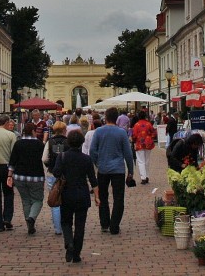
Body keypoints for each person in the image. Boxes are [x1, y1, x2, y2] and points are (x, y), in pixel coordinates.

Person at [53, 129, 100, 264]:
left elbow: (56, 173)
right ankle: (77, 254)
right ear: (81, 143)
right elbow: (93, 180)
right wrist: (97, 196)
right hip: (82, 194)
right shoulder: (86, 159)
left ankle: (69, 242)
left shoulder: (62, 157)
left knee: (66, 221)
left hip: (66, 193)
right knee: (80, 225)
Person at [88, 106, 135, 235]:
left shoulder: (98, 132)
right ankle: (114, 225)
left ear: (106, 118)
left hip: (103, 169)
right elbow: (128, 153)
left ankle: (104, 223)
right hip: (118, 169)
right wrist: (131, 171)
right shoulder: (121, 133)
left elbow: (92, 150)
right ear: (116, 118)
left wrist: (97, 162)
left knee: (102, 196)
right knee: (118, 198)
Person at [9, 122, 46, 234]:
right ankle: (32, 218)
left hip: (19, 176)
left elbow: (12, 161)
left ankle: (29, 223)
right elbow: (44, 160)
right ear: (34, 132)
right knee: (38, 200)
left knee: (25, 200)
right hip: (36, 177)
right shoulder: (40, 145)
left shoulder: (18, 144)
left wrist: (9, 175)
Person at [43, 121, 68, 235]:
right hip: (66, 175)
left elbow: (44, 159)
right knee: (66, 201)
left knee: (55, 200)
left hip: (52, 174)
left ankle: (58, 229)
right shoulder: (68, 142)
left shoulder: (50, 142)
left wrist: (49, 165)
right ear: (64, 130)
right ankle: (66, 224)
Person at [131, 111, 157, 184]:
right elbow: (154, 133)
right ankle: (147, 176)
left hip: (139, 144)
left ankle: (143, 177)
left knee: (141, 161)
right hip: (148, 144)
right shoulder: (148, 124)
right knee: (147, 160)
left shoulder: (136, 125)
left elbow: (134, 136)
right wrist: (149, 138)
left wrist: (134, 140)